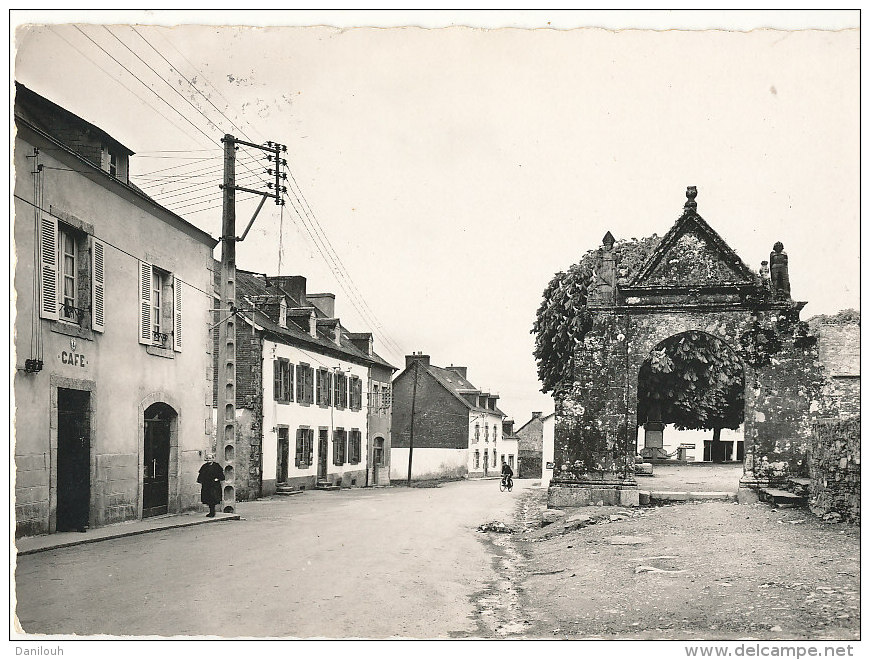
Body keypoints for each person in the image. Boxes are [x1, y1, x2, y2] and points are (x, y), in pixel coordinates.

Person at [197, 453, 225, 517]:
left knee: (213, 498)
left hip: (214, 485)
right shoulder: (204, 466)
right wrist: (201, 481)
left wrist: (217, 479)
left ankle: (212, 512)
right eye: (207, 458)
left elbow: (221, 476)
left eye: (210, 458)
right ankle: (211, 512)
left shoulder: (217, 466)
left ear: (213, 459)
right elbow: (201, 475)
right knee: (208, 498)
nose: (208, 460)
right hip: (206, 485)